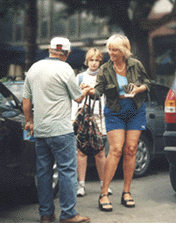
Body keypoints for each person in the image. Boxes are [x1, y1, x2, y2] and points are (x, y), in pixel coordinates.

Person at [23, 37, 91, 223]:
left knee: (43, 172)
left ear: (50, 50)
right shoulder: (65, 68)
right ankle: (69, 214)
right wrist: (85, 90)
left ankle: (46, 214)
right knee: (67, 171)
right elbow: (77, 98)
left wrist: (30, 121)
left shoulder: (34, 68)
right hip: (61, 129)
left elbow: (26, 101)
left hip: (41, 130)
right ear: (67, 54)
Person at [89, 34, 151, 212]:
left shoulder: (136, 64)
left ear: (124, 50)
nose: (111, 53)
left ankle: (126, 192)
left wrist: (139, 89)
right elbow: (98, 90)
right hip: (115, 112)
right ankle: (104, 193)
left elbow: (148, 83)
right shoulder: (105, 69)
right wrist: (89, 91)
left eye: (114, 49)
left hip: (135, 110)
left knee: (131, 150)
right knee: (115, 150)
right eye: (109, 49)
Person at [72, 48, 112, 197]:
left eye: (97, 60)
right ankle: (81, 185)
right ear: (87, 61)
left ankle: (104, 184)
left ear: (100, 62)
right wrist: (73, 118)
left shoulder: (105, 76)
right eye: (91, 60)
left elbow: (107, 97)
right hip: (84, 117)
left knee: (100, 151)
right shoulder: (80, 77)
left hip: (100, 117)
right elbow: (75, 99)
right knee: (81, 151)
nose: (94, 63)